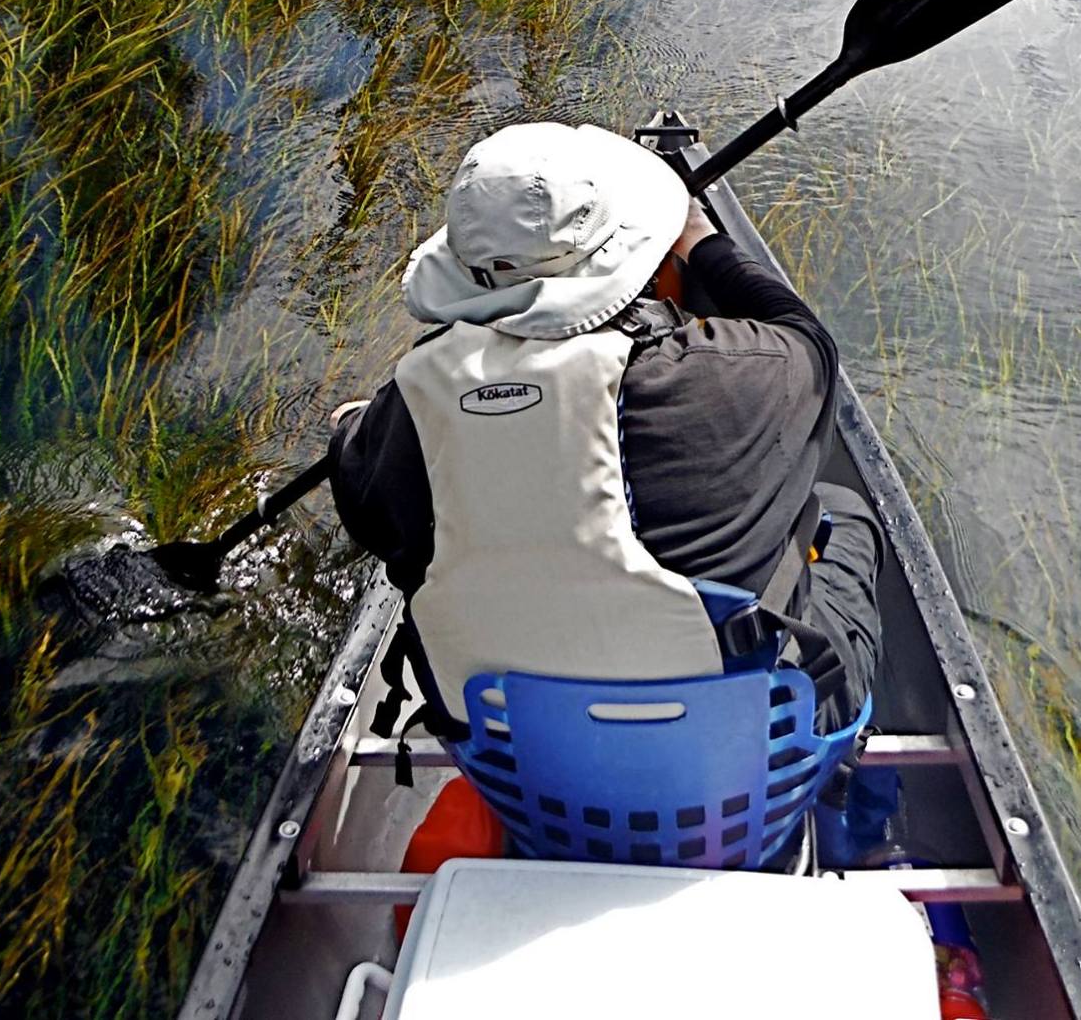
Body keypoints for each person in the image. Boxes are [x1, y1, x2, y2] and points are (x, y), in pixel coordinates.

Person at [326, 120, 883, 746]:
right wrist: (703, 244)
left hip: (522, 751)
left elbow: (365, 497)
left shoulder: (408, 406)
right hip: (736, 748)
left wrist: (355, 425)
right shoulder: (740, 377)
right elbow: (808, 341)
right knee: (842, 511)